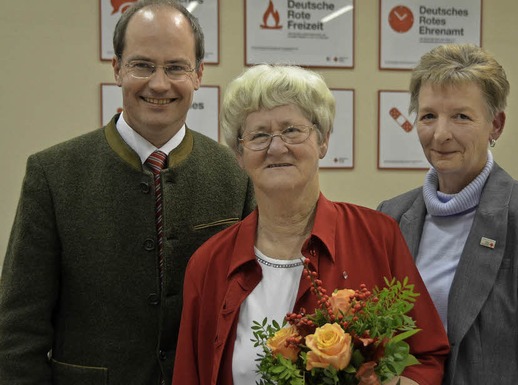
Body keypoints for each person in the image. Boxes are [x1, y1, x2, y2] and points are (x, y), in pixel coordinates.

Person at [0, 1, 254, 384]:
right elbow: (18, 331)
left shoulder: (235, 175)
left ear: (199, 74)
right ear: (117, 69)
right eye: (142, 65)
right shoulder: (52, 174)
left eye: (175, 67)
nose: (158, 83)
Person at [172, 64, 450, 385]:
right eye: (259, 135)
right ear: (239, 154)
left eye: (292, 130)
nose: (277, 147)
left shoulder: (378, 236)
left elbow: (428, 355)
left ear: (323, 140)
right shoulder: (209, 265)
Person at [377, 44, 518, 384]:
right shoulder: (392, 216)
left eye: (461, 116)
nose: (441, 133)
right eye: (429, 115)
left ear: (496, 125)